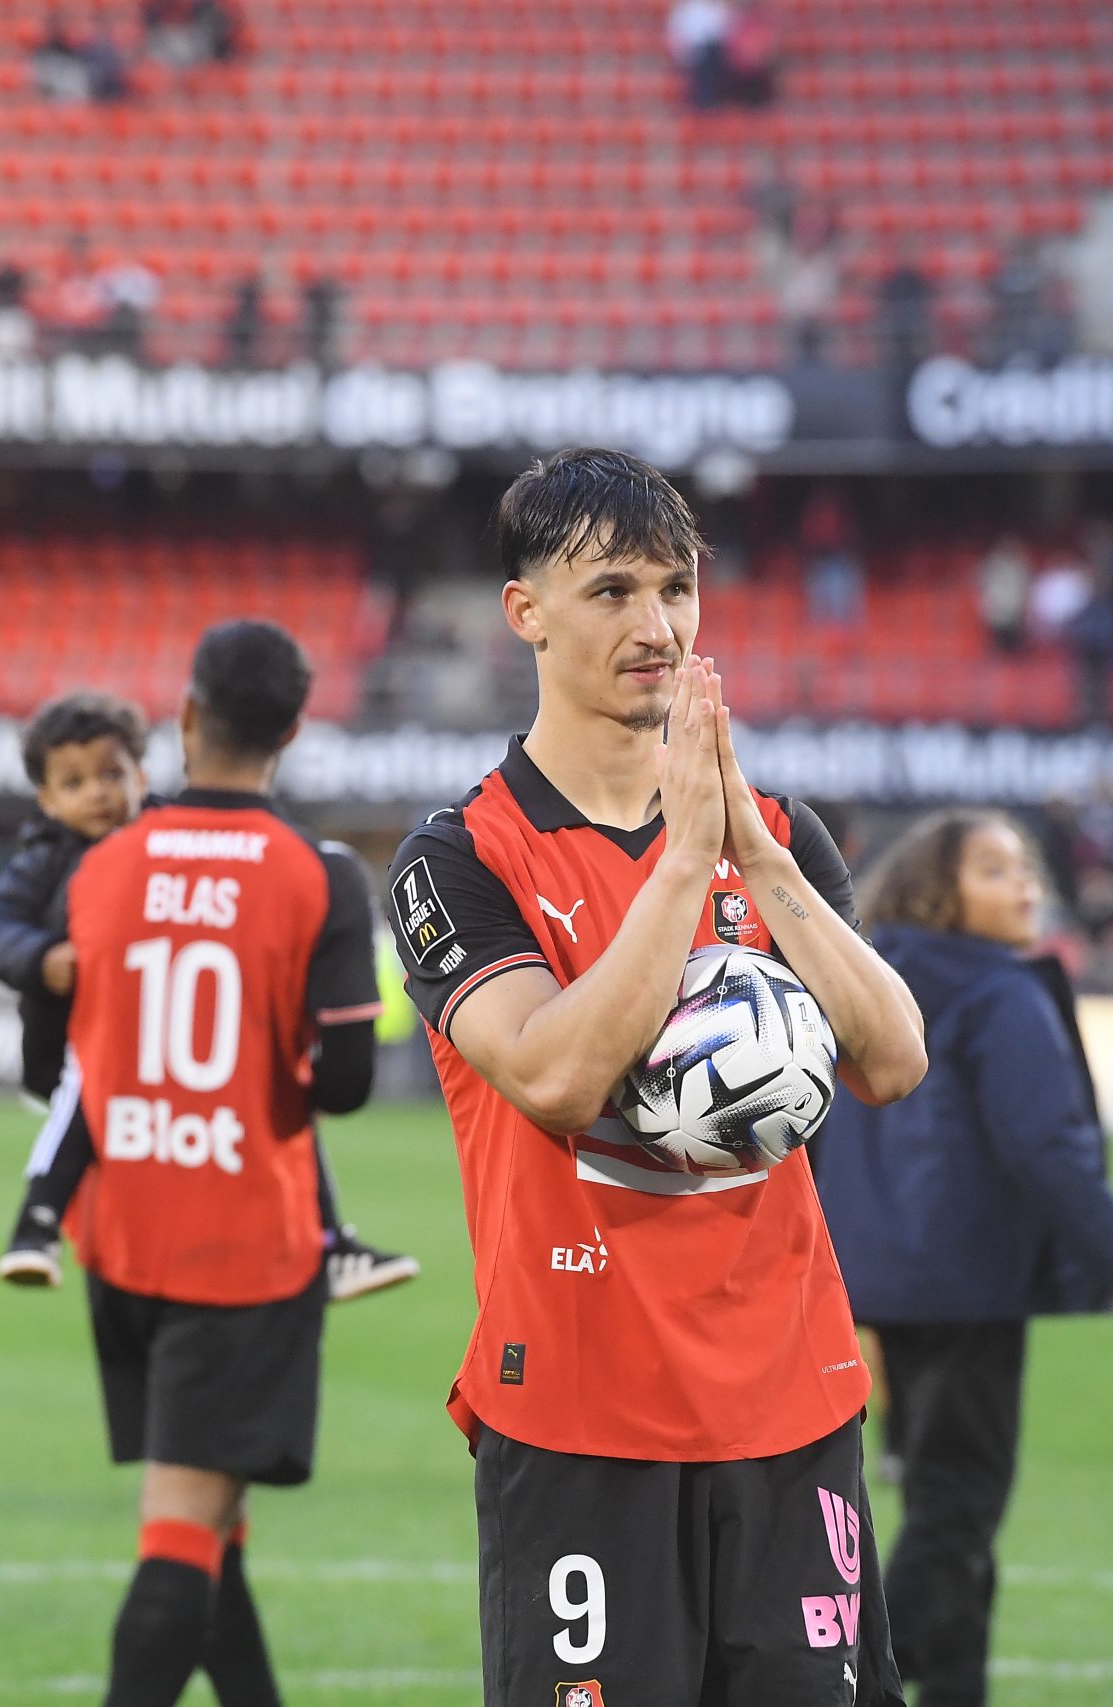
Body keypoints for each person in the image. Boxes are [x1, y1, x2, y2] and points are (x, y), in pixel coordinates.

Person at [387, 447, 929, 1705]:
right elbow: (555, 1077)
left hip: (791, 1408)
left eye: (677, 589)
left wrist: (755, 855)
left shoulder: (779, 835)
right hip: (581, 1416)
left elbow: (894, 1058)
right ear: (524, 612)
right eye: (614, 591)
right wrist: (685, 866)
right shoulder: (458, 856)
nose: (658, 625)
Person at [61, 622, 389, 1707]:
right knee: (180, 1530)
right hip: (238, 1248)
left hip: (121, 1235)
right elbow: (344, 1081)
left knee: (211, 1520)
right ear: (292, 731)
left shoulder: (102, 867)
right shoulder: (317, 876)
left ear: (186, 717)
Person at [814, 811, 1113, 1707]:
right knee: (957, 1506)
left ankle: (957, 1689)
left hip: (865, 1283)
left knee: (939, 1505)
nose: (1027, 886)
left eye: (1026, 869)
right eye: (995, 869)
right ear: (941, 890)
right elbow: (1046, 1146)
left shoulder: (853, 975)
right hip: (967, 1283)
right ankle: (840, 1684)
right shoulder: (1000, 990)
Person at [0, 686, 416, 1301]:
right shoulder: (42, 861)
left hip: (172, 1038)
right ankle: (35, 1224)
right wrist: (41, 958)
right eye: (74, 784)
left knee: (273, 1097)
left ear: (142, 773)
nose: (98, 793)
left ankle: (330, 1242)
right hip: (83, 1038)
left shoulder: (176, 836)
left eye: (110, 774)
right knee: (87, 1092)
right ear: (46, 801)